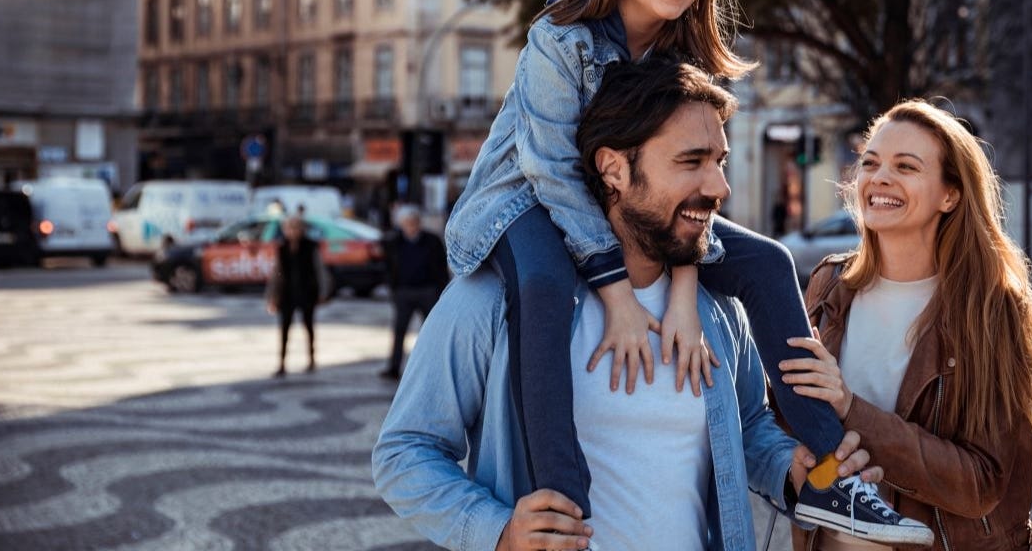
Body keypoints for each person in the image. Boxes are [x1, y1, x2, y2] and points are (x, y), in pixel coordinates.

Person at [438, 0, 920, 543]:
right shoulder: (562, 34)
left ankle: (831, 478)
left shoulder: (681, 51)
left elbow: (685, 205)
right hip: (522, 206)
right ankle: (563, 508)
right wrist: (619, 296)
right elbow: (551, 171)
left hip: (629, 213)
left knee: (768, 261)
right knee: (546, 285)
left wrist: (686, 292)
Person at [374, 59, 917, 551]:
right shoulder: (493, 301)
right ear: (613, 169)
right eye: (692, 161)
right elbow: (404, 453)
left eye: (721, 161)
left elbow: (748, 424)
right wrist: (497, 531)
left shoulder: (717, 310)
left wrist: (789, 469)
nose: (720, 186)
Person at [780, 100, 1032, 551]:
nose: (879, 177)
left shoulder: (989, 308)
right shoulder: (829, 285)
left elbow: (980, 483)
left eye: (906, 167)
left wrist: (851, 408)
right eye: (870, 162)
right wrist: (791, 461)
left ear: (950, 195)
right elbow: (791, 422)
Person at [379, 205, 448, 381]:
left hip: (428, 291)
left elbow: (441, 267)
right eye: (407, 223)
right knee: (399, 330)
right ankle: (394, 367)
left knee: (432, 332)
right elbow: (387, 266)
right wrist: (393, 288)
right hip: (404, 292)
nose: (411, 227)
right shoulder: (394, 242)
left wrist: (440, 290)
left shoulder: (432, 241)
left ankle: (436, 366)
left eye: (414, 222)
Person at [265, 215, 328, 377]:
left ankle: (311, 359)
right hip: (287, 294)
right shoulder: (282, 248)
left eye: (295, 227)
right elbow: (276, 274)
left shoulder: (310, 246)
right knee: (285, 329)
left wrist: (322, 291)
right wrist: (272, 296)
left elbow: (319, 270)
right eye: (289, 228)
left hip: (307, 292)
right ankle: (282, 363)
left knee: (309, 327)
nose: (292, 231)